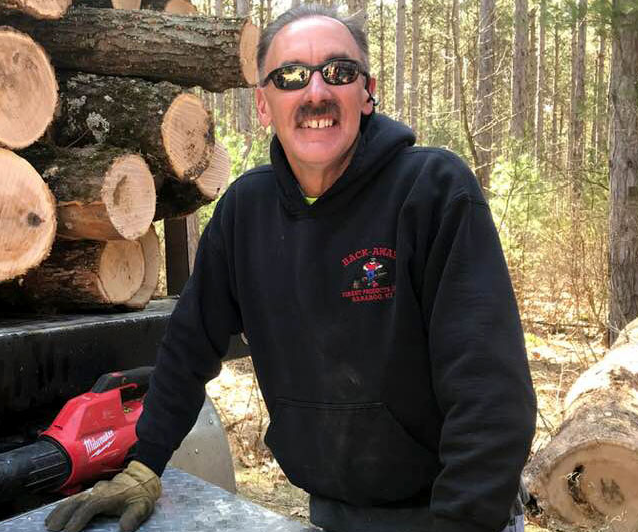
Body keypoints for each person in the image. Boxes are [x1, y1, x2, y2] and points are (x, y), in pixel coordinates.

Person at [45, 5, 536, 532]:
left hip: (451, 510)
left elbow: (492, 395)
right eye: (291, 76)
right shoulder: (245, 213)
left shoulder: (433, 191)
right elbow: (188, 348)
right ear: (263, 104)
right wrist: (145, 465)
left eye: (339, 72)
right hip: (331, 512)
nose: (316, 92)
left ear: (367, 92)